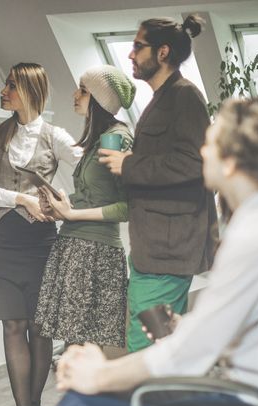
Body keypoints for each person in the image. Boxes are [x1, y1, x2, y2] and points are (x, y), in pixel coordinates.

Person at [23, 97, 258, 406]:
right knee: (85, 400)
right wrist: (182, 326)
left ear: (232, 161)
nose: (202, 149)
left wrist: (101, 373)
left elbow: (187, 357)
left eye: (211, 141)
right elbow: (252, 328)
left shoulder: (257, 236)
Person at [0, 62, 81, 406]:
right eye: (6, 85)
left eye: (11, 86)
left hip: (41, 243)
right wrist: (20, 197)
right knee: (11, 325)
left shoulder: (55, 136)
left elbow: (87, 167)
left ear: (31, 92)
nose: (4, 91)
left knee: (40, 329)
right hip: (2, 239)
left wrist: (64, 203)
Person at [98, 15, 218, 353]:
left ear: (162, 52)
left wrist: (130, 163)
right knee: (159, 343)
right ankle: (164, 403)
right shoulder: (162, 98)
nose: (131, 55)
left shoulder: (184, 97)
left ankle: (154, 403)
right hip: (153, 248)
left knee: (144, 347)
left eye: (138, 46)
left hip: (168, 251)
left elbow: (194, 162)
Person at [34, 65, 136, 350]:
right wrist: (59, 206)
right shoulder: (97, 140)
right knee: (75, 348)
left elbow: (126, 207)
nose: (75, 94)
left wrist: (71, 213)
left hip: (95, 252)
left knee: (82, 350)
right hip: (76, 246)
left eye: (83, 90)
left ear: (101, 100)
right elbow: (94, 195)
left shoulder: (115, 138)